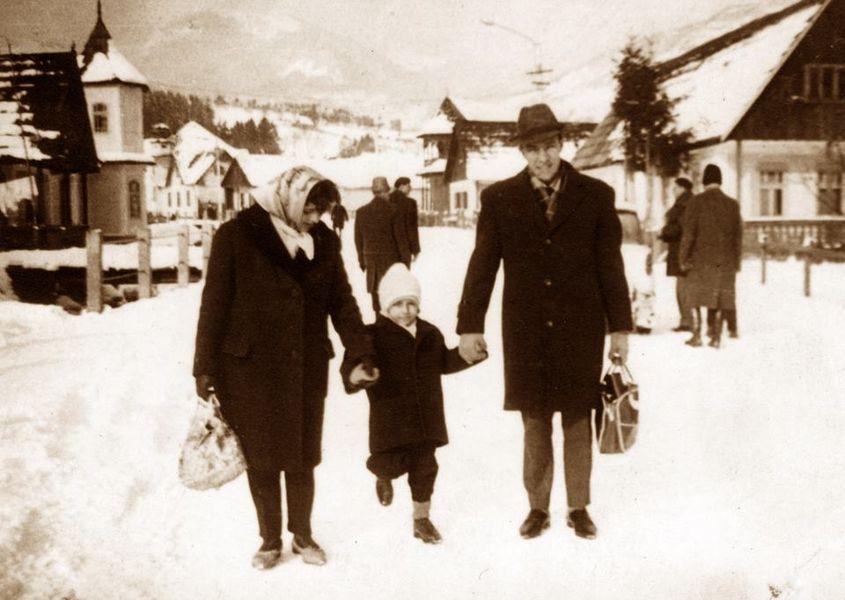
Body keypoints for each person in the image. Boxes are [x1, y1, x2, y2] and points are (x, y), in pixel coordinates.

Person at [456, 104, 632, 541]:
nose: (543, 158)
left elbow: (611, 266)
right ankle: (537, 507)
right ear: (522, 151)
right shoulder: (499, 199)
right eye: (533, 149)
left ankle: (578, 506)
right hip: (526, 328)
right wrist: (469, 324)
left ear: (561, 144)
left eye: (549, 146)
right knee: (534, 419)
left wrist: (620, 327)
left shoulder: (596, 195)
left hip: (580, 326)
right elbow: (483, 264)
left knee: (577, 415)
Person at [193, 166, 379, 570]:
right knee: (261, 458)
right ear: (290, 199)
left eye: (321, 213)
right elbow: (214, 304)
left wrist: (360, 350)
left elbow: (343, 302)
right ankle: (269, 540)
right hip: (250, 367)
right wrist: (203, 368)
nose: (314, 220)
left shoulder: (324, 242)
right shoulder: (236, 235)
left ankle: (303, 534)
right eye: (310, 210)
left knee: (301, 454)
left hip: (305, 363)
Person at [341, 263, 482, 544]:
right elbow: (351, 368)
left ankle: (421, 519)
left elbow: (444, 362)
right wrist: (357, 375)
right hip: (390, 420)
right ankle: (383, 476)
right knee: (390, 462)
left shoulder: (430, 334)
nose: (406, 310)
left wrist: (467, 357)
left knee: (425, 468)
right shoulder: (371, 337)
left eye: (411, 303)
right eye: (398, 304)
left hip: (425, 418)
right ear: (385, 307)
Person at [679, 164, 743, 348]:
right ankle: (716, 337)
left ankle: (697, 335)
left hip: (700, 260)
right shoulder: (732, 204)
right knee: (721, 297)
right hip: (726, 261)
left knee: (695, 296)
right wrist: (736, 262)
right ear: (720, 181)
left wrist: (683, 259)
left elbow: (689, 234)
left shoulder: (696, 202)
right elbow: (738, 236)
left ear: (704, 180)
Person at [354, 176, 411, 313]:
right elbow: (401, 241)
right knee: (393, 302)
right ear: (386, 192)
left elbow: (358, 240)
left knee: (377, 303)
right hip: (392, 266)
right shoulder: (394, 211)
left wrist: (362, 261)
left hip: (372, 265)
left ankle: (379, 328)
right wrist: (406, 265)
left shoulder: (361, 212)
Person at [658, 177, 694, 332]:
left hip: (682, 249)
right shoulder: (685, 202)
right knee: (683, 285)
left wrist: (664, 233)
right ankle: (687, 319)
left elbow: (680, 227)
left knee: (683, 286)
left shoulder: (684, 204)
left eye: (675, 188)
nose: (673, 190)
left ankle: (687, 321)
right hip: (682, 249)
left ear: (682, 188)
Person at [388, 176, 421, 264]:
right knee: (403, 275)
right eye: (408, 186)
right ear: (401, 186)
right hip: (404, 248)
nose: (411, 188)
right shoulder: (410, 203)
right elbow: (412, 228)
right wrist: (415, 249)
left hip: (387, 249)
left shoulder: (387, 200)